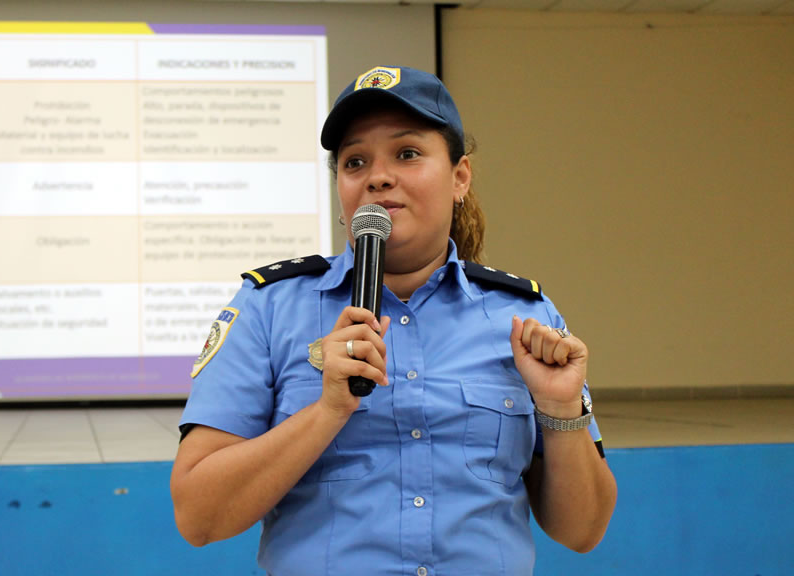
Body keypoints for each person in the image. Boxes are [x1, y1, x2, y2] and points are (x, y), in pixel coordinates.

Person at [171, 65, 617, 575]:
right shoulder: (268, 308)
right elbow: (198, 517)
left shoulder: (524, 316)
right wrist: (327, 412)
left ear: (460, 177)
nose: (378, 176)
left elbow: (582, 531)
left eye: (407, 154)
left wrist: (561, 411)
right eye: (354, 161)